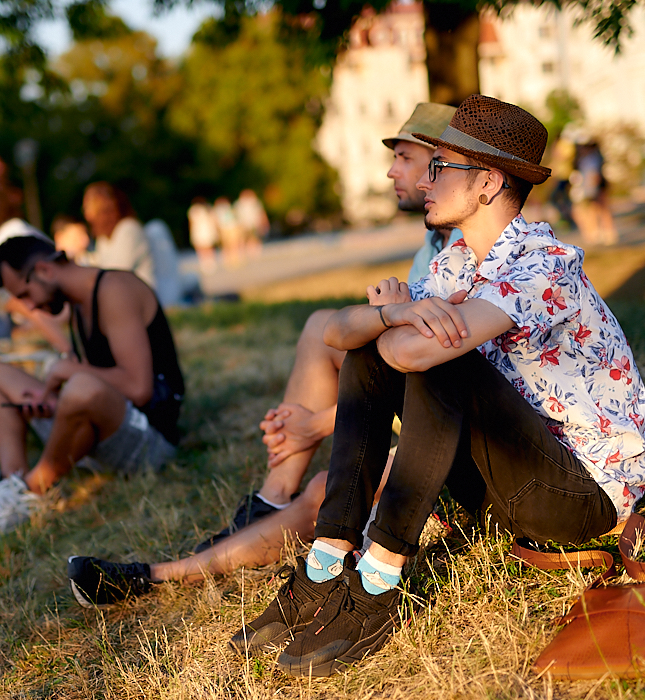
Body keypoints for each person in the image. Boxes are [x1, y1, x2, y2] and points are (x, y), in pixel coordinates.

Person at [224, 94, 645, 679]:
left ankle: (380, 578)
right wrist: (390, 314)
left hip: (577, 498)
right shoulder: (454, 263)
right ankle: (326, 562)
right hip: (500, 487)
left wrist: (396, 322)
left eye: (440, 167)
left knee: (436, 360)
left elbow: (417, 353)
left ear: (488, 183)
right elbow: (337, 332)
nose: (426, 181)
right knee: (372, 349)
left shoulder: (543, 263)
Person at [64, 102, 463, 607]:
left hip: (455, 442)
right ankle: (270, 498)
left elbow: (441, 387)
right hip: (427, 408)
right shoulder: (434, 246)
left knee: (328, 489)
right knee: (321, 328)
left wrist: (317, 424)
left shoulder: (469, 253)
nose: (392, 171)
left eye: (404, 157)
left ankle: (159, 575)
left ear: (442, 165)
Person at [0, 235, 185, 538]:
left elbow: (139, 388)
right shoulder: (77, 303)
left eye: (26, 294)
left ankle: (34, 489)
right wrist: (53, 401)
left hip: (149, 440)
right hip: (105, 427)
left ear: (45, 270)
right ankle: (11, 487)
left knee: (81, 386)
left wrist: (68, 372)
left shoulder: (115, 289)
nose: (30, 306)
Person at [82, 182, 156, 289]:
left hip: (140, 296)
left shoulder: (129, 229)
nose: (87, 216)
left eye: (90, 208)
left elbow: (115, 275)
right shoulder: (103, 239)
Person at [188, 198, 220, 273]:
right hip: (208, 230)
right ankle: (211, 261)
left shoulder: (194, 210)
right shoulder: (208, 208)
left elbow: (191, 222)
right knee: (208, 246)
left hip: (199, 230)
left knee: (201, 247)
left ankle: (204, 262)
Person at [235, 189, 270, 256]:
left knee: (253, 237)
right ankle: (251, 250)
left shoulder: (254, 203)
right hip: (246, 224)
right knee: (248, 237)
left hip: (252, 224)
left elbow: (260, 213)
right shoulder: (240, 204)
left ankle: (253, 250)